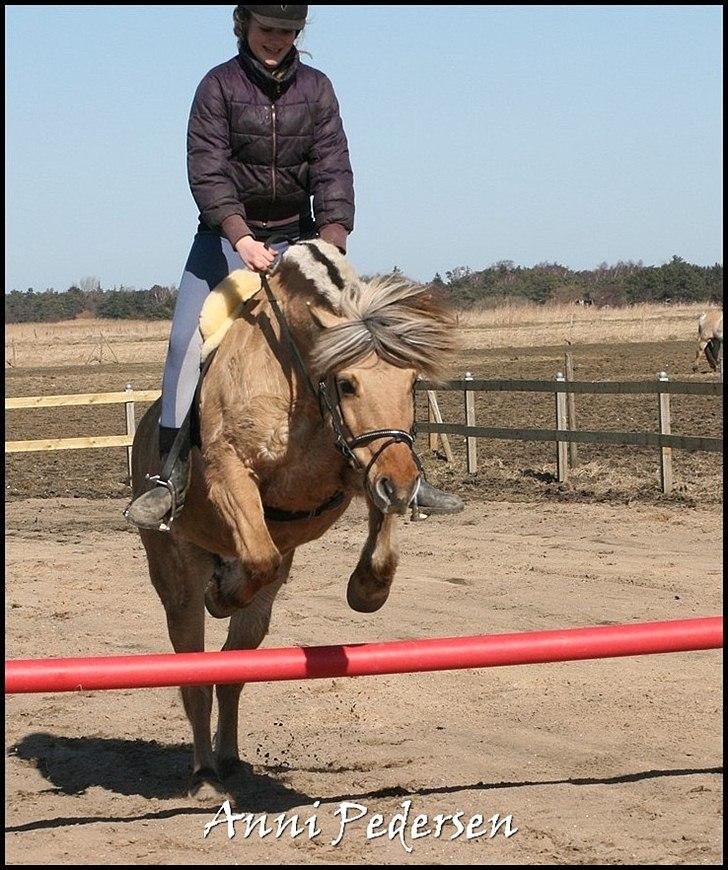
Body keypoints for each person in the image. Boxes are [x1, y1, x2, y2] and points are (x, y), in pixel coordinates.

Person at [125, 4, 463, 532]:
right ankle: (168, 479)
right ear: (244, 24)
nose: (276, 39)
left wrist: (333, 237)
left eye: (288, 31)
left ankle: (408, 476)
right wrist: (240, 236)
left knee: (371, 342)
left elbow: (333, 166)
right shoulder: (216, 86)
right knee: (184, 344)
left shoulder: (318, 89)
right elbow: (208, 169)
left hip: (303, 242)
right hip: (225, 239)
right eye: (267, 29)